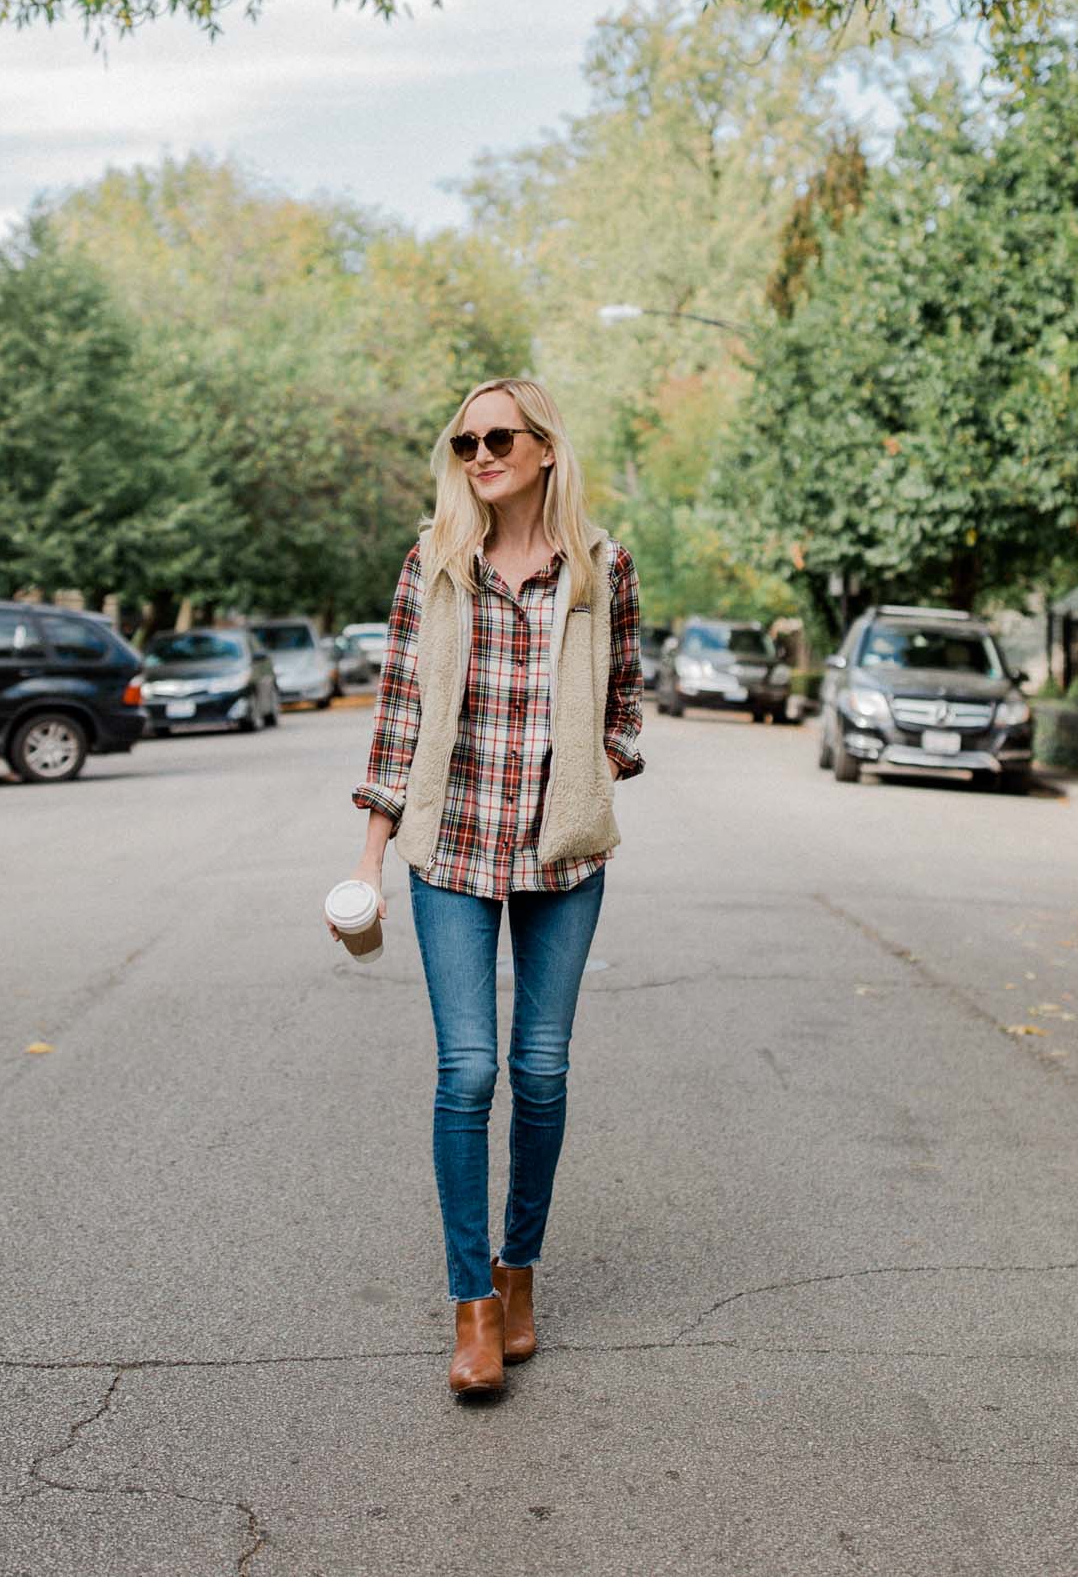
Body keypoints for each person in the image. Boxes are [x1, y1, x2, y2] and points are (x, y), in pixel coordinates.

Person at [336, 375, 643, 1399]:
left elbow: (628, 694)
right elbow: (395, 713)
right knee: (468, 1073)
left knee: (542, 1071)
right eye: (465, 442)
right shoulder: (435, 564)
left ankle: (520, 1275)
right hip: (453, 850)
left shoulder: (602, 568)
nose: (479, 456)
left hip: (562, 856)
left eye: (498, 437)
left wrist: (601, 767)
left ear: (546, 447)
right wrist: (367, 862)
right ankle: (471, 1303)